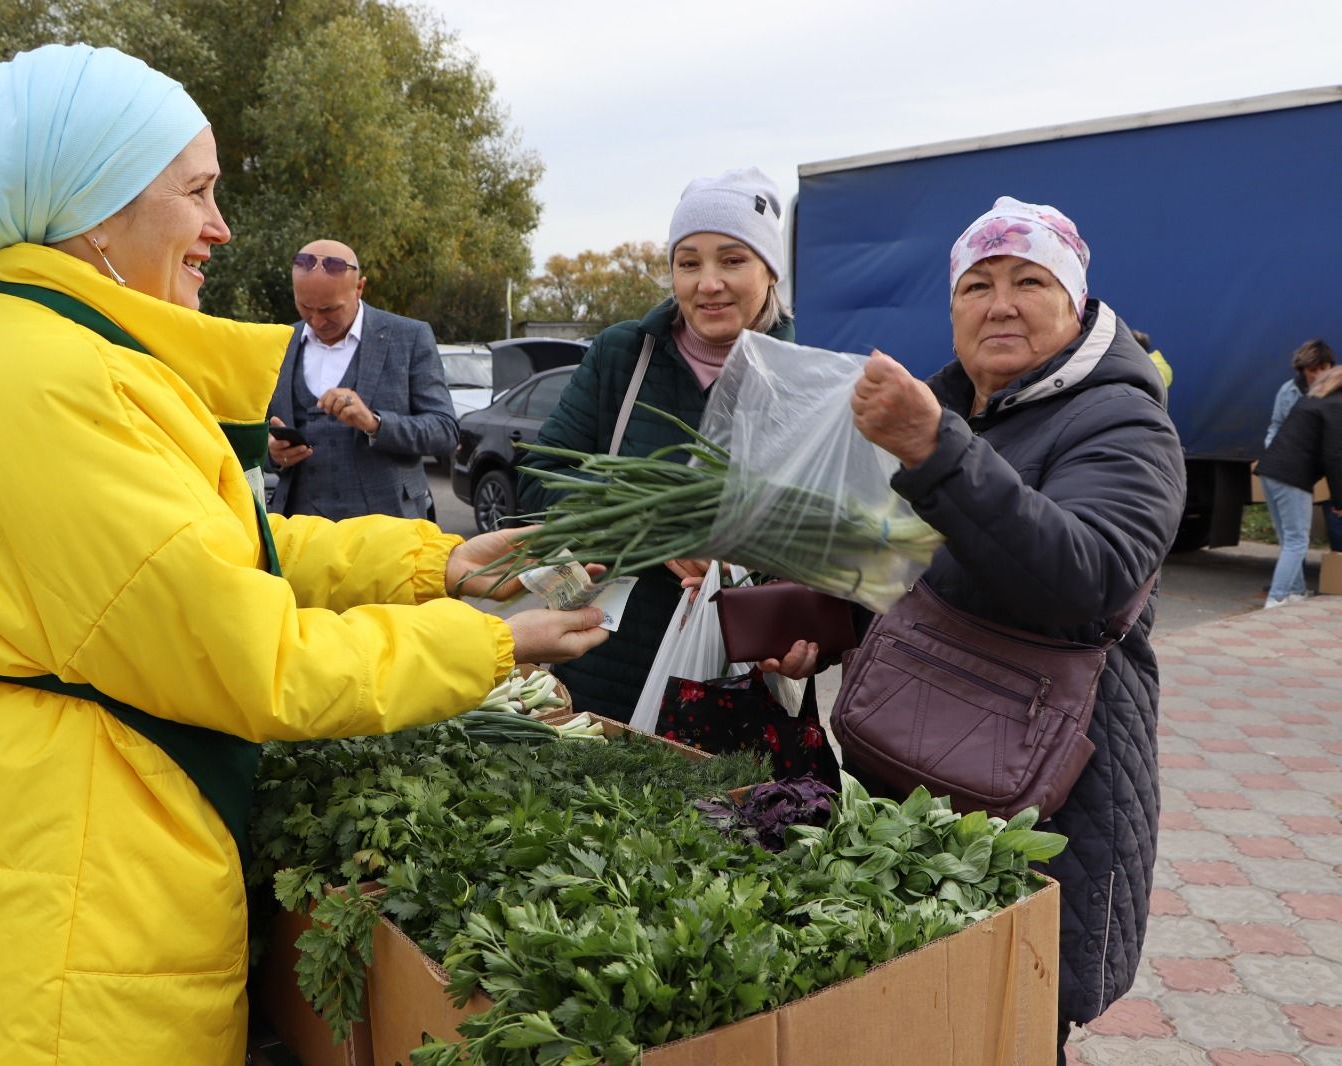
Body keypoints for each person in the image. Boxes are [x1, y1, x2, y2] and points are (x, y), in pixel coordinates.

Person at [0, 43, 606, 1065]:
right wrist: (490, 646)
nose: (220, 227)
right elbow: (256, 658)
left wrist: (441, 565)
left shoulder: (52, 355)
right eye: (197, 192)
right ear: (96, 211)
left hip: (41, 853)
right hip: (64, 920)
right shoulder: (63, 388)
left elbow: (220, 547)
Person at [845, 196, 1185, 1061]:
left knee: (1009, 1020)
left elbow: (1088, 579)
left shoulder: (1123, 419)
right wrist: (818, 617)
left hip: (1045, 793)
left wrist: (936, 453)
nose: (1000, 303)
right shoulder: (952, 411)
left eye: (1029, 280)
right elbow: (916, 577)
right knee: (909, 1008)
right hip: (917, 763)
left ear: (1075, 303)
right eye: (977, 284)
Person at [519, 167, 824, 730]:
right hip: (600, 663)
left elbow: (826, 546)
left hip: (730, 687)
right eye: (689, 263)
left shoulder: (807, 379)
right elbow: (539, 482)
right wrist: (656, 526)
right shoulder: (623, 357)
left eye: (732, 260)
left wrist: (805, 632)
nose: (708, 283)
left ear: (770, 271)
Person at [264, 238, 457, 520]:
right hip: (299, 526)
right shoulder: (279, 343)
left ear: (359, 288)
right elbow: (253, 435)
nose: (317, 321)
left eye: (330, 309)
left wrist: (374, 423)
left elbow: (445, 432)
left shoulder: (409, 337)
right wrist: (272, 454)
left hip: (389, 524)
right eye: (305, 307)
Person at [1258, 339, 1335, 606]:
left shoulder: (1328, 396)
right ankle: (1276, 600)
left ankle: (1296, 590)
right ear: (1303, 369)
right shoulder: (1290, 392)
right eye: (1312, 369)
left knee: (1290, 539)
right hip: (1290, 470)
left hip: (1285, 470)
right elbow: (1276, 426)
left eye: (1323, 368)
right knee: (1296, 540)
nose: (1318, 374)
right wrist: (1275, 453)